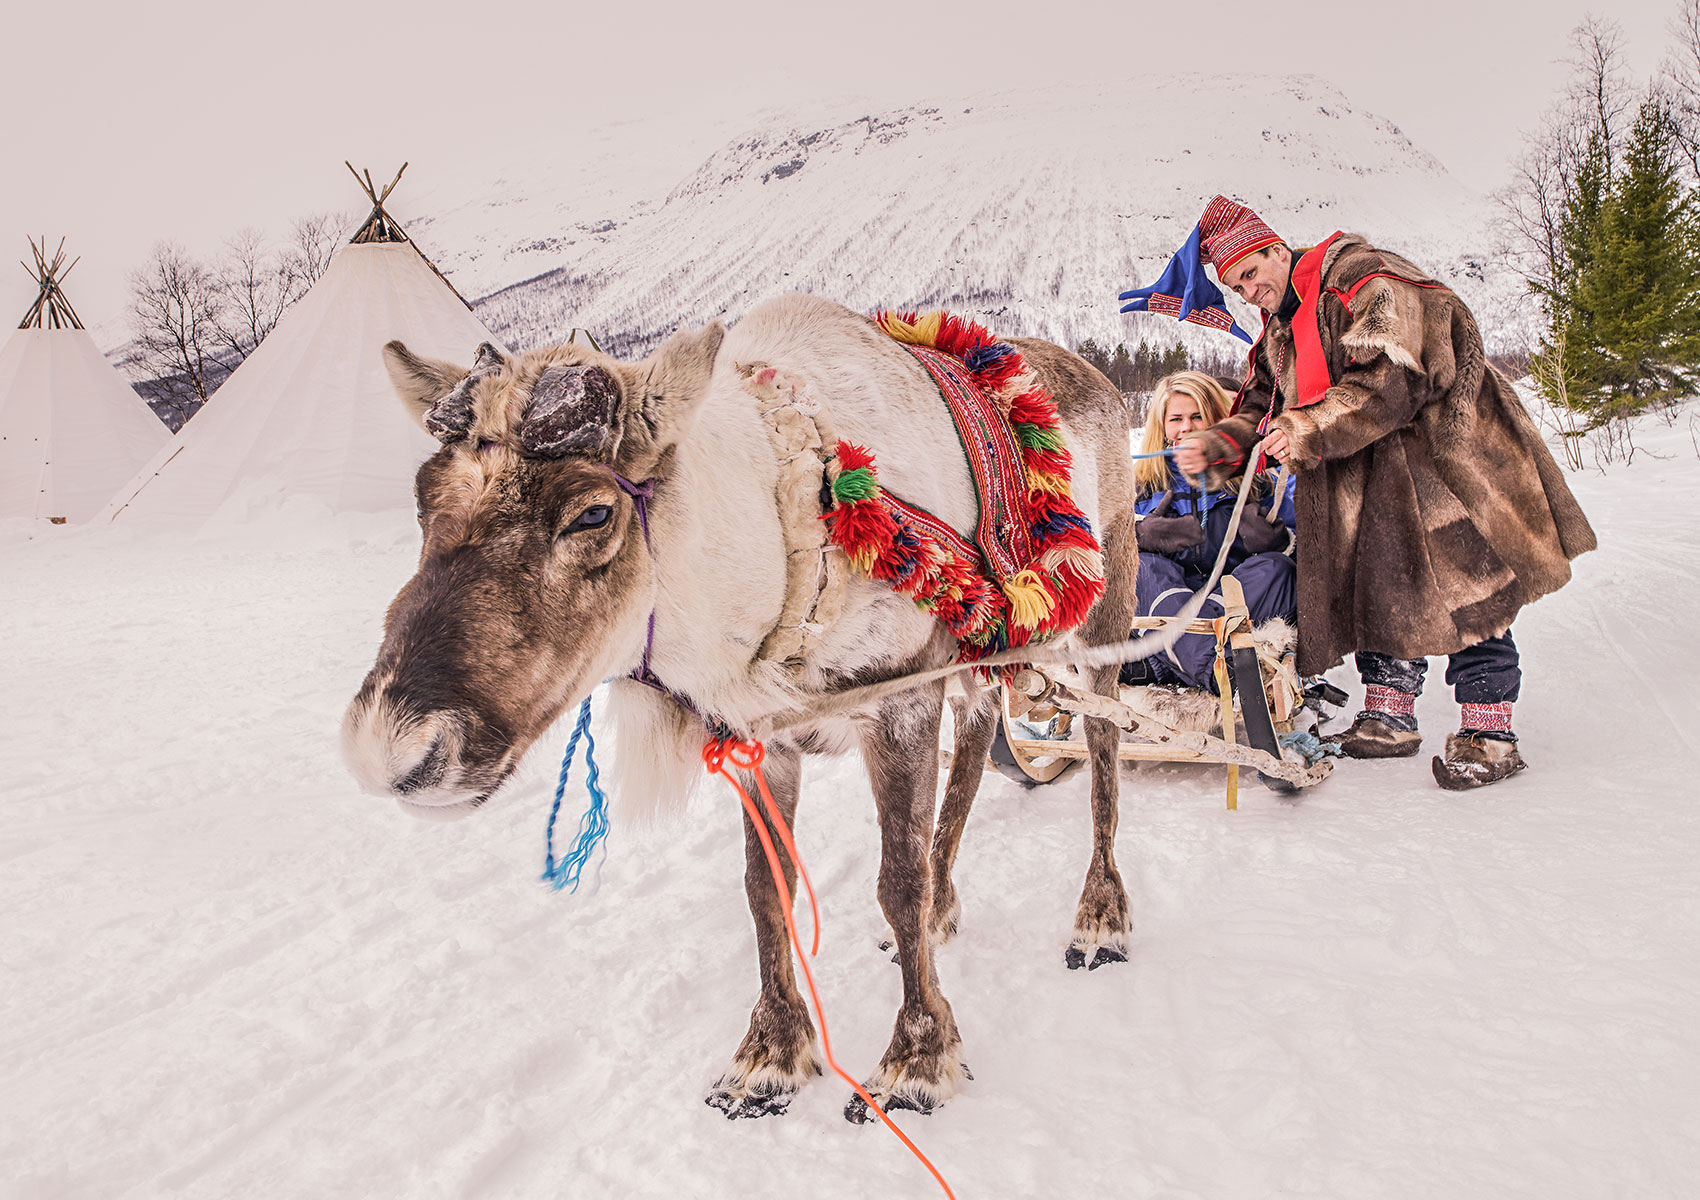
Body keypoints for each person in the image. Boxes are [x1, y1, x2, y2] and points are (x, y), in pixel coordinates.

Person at [1167, 195, 1596, 789]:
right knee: (1382, 584)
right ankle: (1388, 717)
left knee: (1471, 594)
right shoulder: (1282, 327)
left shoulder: (1361, 279)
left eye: (1249, 274)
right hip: (1372, 472)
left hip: (1444, 460)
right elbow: (1266, 407)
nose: (1248, 291)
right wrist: (1219, 446)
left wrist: (1306, 427)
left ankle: (1489, 734)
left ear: (1273, 249)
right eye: (1236, 287)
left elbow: (1392, 378)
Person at [1126, 370, 1296, 692]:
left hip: (1237, 599)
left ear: (1218, 420)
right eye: (1176, 418)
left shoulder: (1259, 478)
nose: (1186, 427)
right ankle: (1216, 669)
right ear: (1162, 426)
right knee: (1141, 567)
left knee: (1280, 569)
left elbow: (1304, 541)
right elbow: (1099, 540)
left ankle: (1169, 664)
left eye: (1197, 416)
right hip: (1171, 597)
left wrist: (1280, 541)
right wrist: (1139, 535)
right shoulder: (1143, 484)